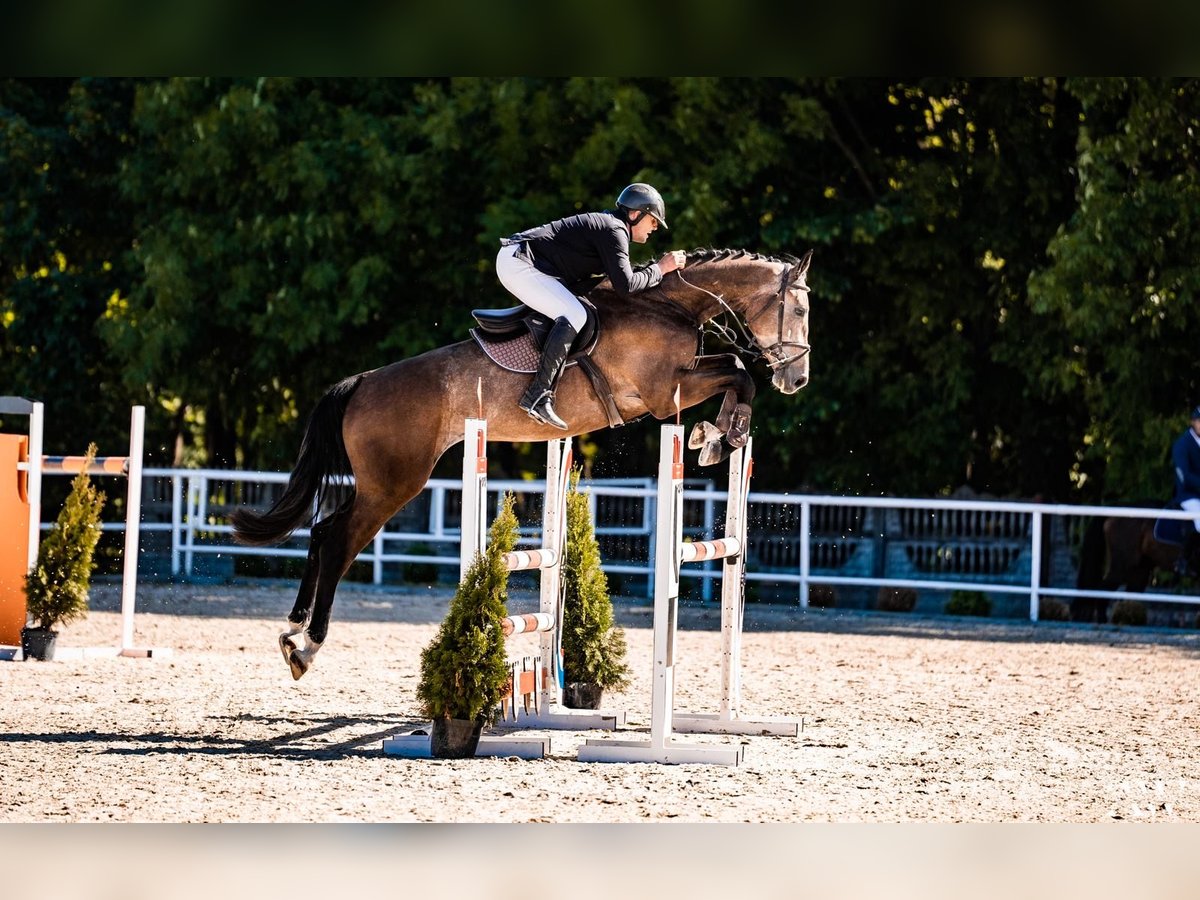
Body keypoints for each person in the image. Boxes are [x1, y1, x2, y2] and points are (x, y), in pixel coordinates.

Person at [496, 183, 687, 429]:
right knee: (574, 314)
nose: (655, 227)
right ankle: (538, 395)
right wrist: (661, 268)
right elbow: (626, 286)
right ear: (634, 214)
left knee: (580, 310)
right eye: (652, 220)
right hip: (519, 263)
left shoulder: (613, 227)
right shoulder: (614, 230)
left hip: (526, 263)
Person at [1171, 404, 1200, 575]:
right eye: (1199, 421)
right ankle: (1185, 560)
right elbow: (1185, 476)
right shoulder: (1182, 445)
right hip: (1188, 495)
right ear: (1193, 423)